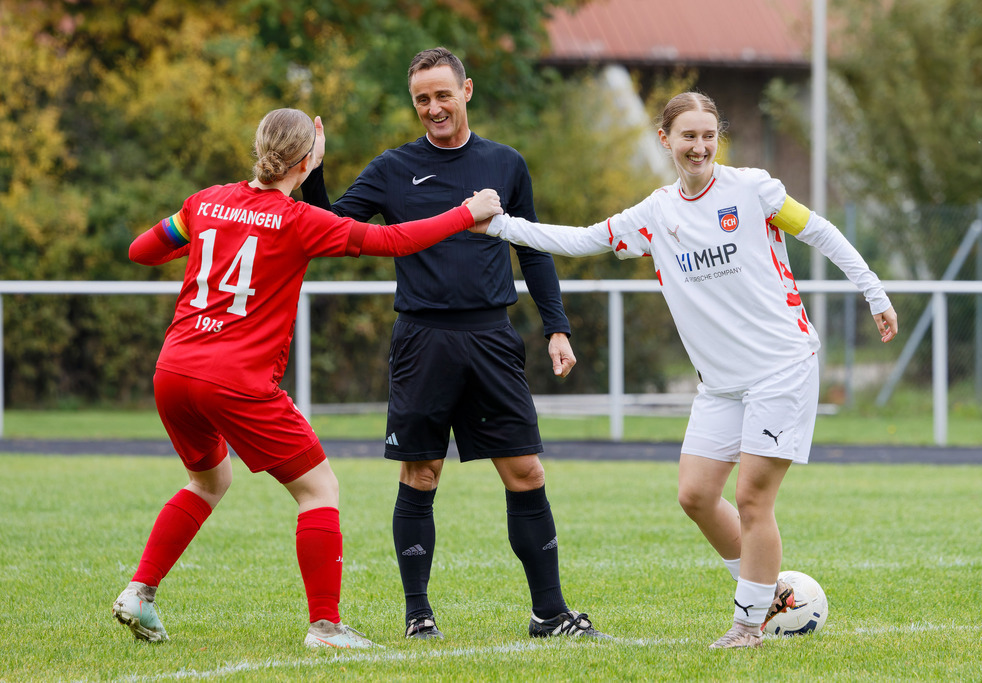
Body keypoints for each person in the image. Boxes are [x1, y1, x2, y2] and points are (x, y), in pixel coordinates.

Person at [472, 91, 899, 649]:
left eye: (708, 135)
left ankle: (748, 625)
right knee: (696, 496)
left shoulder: (753, 189)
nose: (699, 146)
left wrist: (873, 290)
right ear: (666, 141)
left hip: (781, 367)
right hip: (720, 385)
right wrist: (500, 226)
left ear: (718, 137)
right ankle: (765, 590)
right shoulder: (655, 213)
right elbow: (579, 241)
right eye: (688, 136)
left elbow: (819, 230)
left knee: (752, 499)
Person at [111, 107, 502, 650]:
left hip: (174, 371)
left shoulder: (205, 202)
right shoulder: (299, 220)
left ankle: (141, 593)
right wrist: (466, 212)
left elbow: (140, 251)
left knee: (209, 480)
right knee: (319, 489)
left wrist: (209, 234)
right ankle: (325, 625)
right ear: (307, 159)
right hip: (235, 380)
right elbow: (392, 242)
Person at [301, 47, 608, 641]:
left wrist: (557, 326)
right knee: (421, 475)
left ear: (466, 91)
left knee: (524, 471)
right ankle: (419, 617)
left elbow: (535, 247)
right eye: (422, 99)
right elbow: (329, 230)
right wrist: (315, 170)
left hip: (492, 337)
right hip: (423, 339)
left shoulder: (505, 163)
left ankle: (550, 614)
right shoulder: (392, 168)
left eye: (443, 94)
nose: (433, 107)